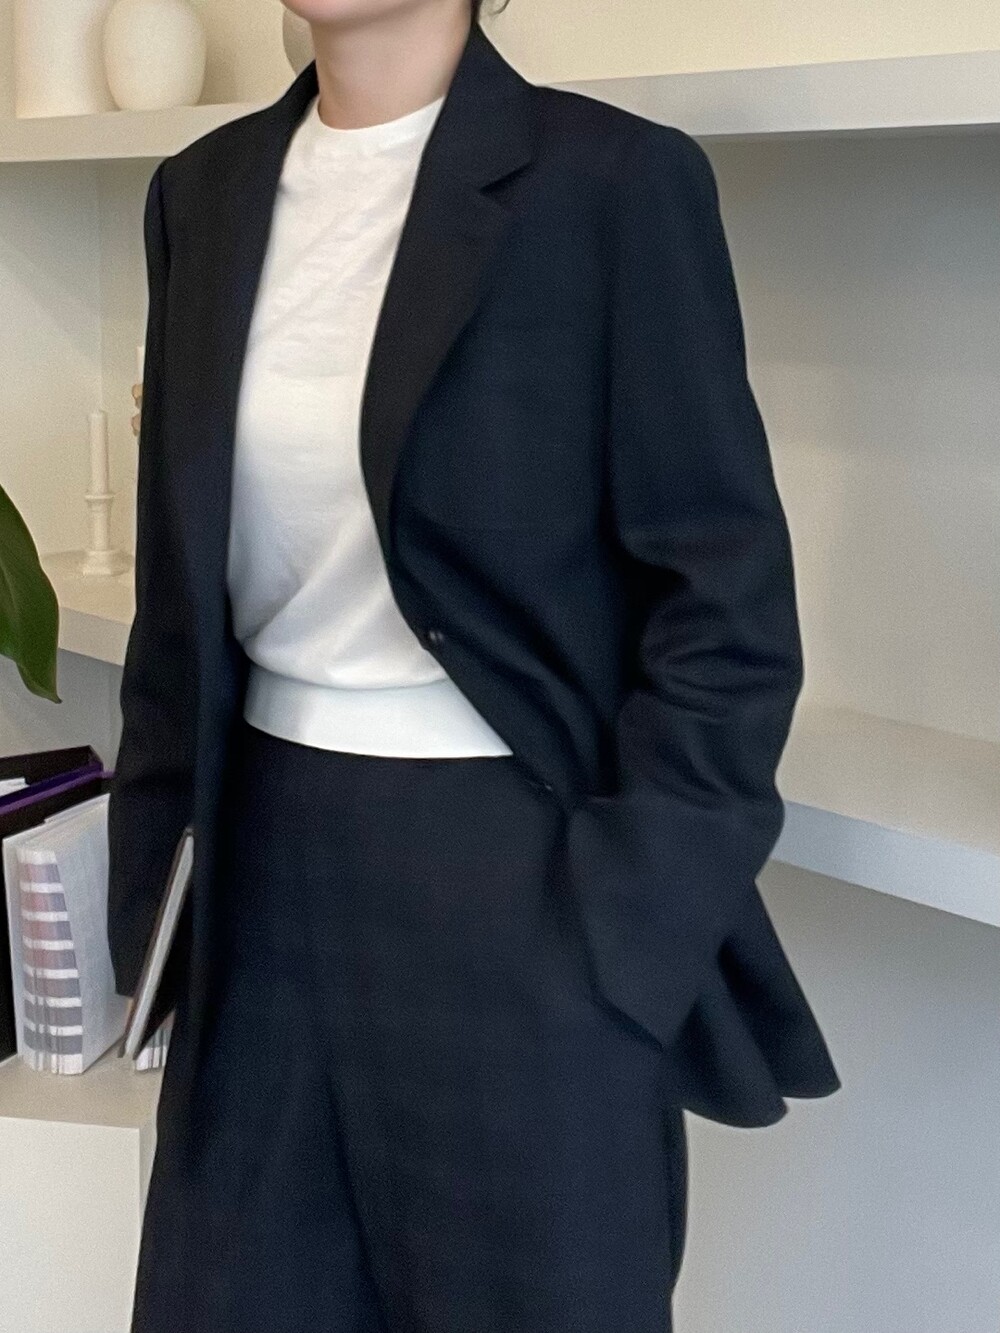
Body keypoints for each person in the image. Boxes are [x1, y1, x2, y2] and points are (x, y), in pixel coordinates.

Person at [107, 2, 841, 1329]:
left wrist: (622, 936)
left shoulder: (613, 184)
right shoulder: (202, 195)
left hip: (516, 884)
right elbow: (179, 598)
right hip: (261, 878)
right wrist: (155, 919)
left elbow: (722, 601)